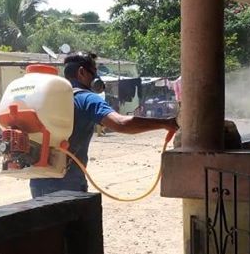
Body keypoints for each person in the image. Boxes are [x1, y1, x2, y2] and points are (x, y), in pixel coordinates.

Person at [30, 52, 179, 198]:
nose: (97, 77)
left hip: (38, 180)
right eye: (94, 72)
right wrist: (165, 123)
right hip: (68, 184)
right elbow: (121, 123)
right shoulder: (86, 98)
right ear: (82, 72)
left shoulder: (48, 98)